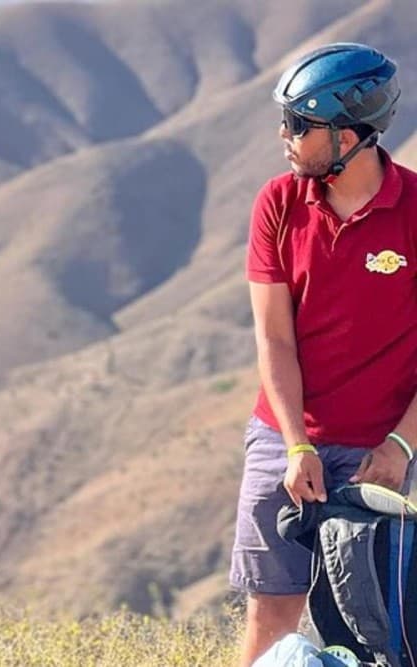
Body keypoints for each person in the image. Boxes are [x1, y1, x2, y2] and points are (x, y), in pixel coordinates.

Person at [232, 42, 417, 666]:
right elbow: (273, 339)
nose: (284, 136)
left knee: (390, 628)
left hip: (388, 453)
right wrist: (295, 445)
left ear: (350, 134)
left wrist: (401, 446)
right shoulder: (278, 205)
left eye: (299, 124)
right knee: (271, 617)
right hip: (286, 444)